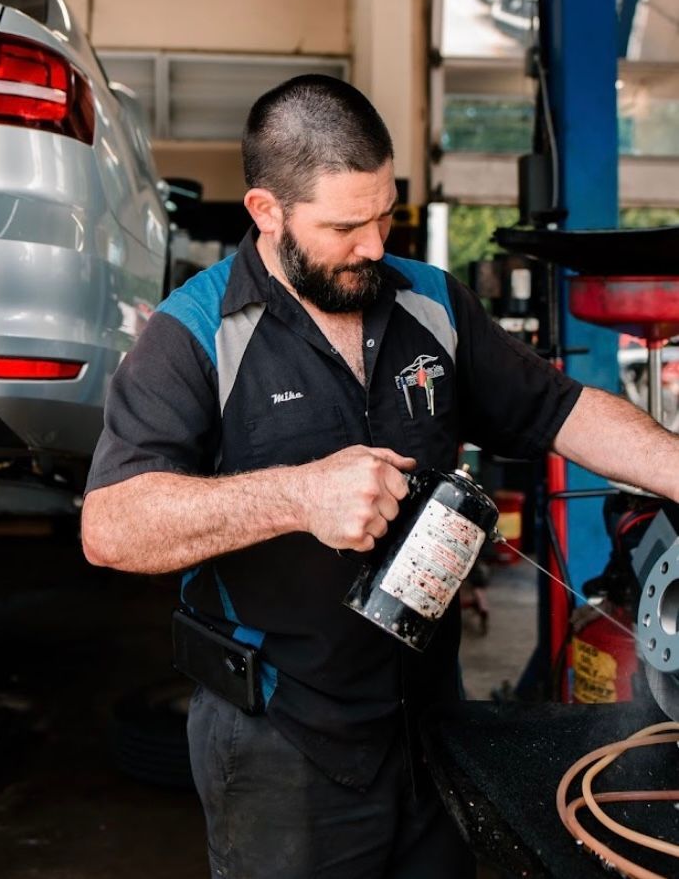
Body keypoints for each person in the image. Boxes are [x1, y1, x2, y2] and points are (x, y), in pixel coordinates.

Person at [82, 75, 679, 879]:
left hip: (432, 719)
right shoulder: (194, 332)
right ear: (266, 211)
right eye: (344, 225)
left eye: (385, 213)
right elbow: (111, 526)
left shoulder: (430, 301)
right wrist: (297, 494)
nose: (373, 244)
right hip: (281, 740)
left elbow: (563, 409)